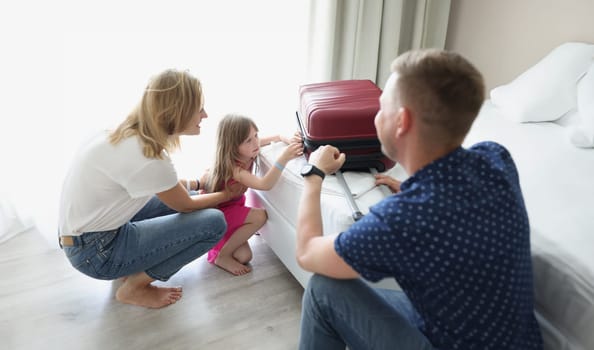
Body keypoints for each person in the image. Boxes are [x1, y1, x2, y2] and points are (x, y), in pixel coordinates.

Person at [295, 49, 544, 349]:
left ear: (401, 121)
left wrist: (314, 173)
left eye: (381, 107)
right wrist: (411, 187)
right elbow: (456, 214)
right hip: (511, 340)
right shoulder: (495, 158)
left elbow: (308, 254)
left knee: (324, 289)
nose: (376, 116)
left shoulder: (402, 219)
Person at [58, 69, 246, 309]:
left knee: (195, 196)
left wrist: (199, 184)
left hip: (83, 239)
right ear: (178, 111)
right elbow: (184, 205)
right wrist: (228, 194)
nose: (205, 115)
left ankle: (130, 265)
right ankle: (135, 287)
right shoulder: (149, 157)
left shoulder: (123, 135)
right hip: (96, 254)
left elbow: (161, 186)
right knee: (213, 223)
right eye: (199, 108)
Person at [202, 113, 303, 275]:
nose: (256, 142)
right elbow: (265, 185)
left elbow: (274, 137)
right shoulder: (234, 168)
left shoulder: (248, 149)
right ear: (232, 146)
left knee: (244, 256)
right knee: (260, 216)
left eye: (256, 135)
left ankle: (223, 247)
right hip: (220, 214)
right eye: (248, 140)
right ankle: (223, 255)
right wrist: (284, 158)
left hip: (232, 208)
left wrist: (287, 138)